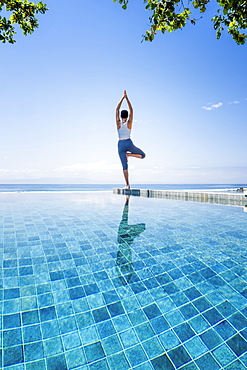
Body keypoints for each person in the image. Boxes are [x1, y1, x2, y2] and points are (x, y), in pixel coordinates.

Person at [116, 90, 145, 189]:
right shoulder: (129, 123)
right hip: (129, 143)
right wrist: (127, 98)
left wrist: (122, 98)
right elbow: (131, 109)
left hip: (120, 144)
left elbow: (117, 109)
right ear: (127, 116)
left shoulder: (118, 123)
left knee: (124, 166)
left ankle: (127, 185)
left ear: (120, 116)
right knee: (143, 155)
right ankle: (129, 154)